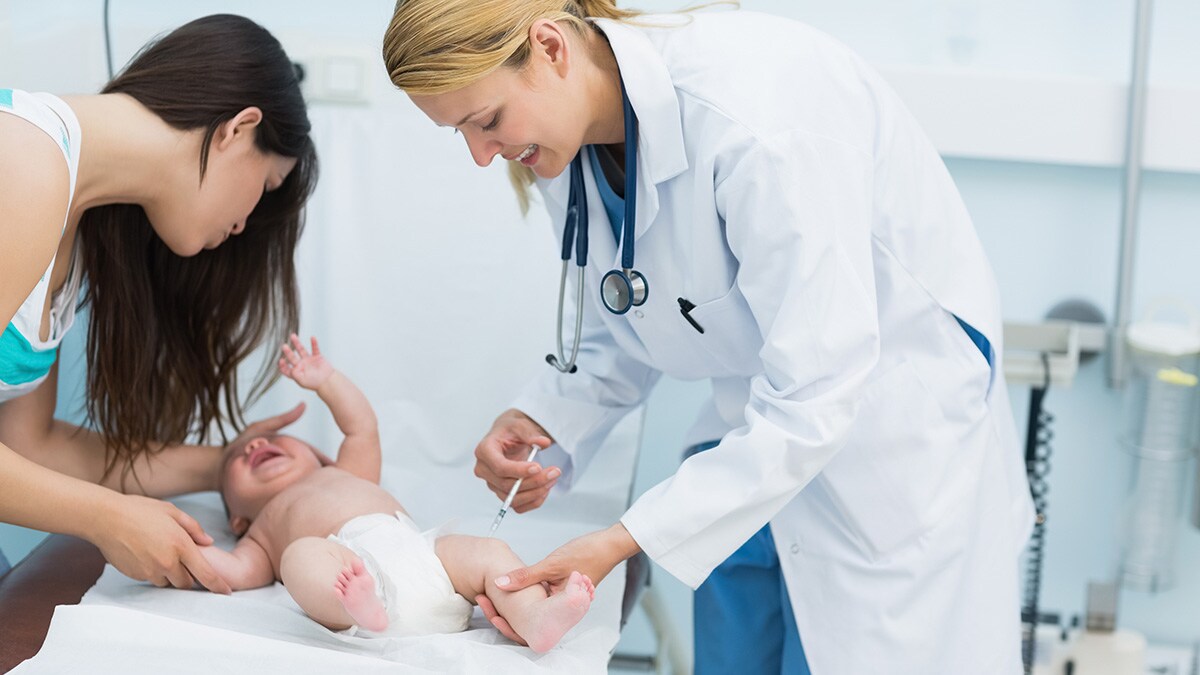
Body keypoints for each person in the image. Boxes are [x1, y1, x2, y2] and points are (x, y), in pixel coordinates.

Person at [382, 2, 1036, 673]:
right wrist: (546, 415)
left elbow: (819, 389)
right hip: (749, 451)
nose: (482, 155)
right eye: (459, 132)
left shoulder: (758, 121)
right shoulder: (565, 144)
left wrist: (624, 537)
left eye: (485, 121)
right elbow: (637, 303)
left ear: (549, 47)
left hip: (885, 454)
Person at [0, 14, 318, 593]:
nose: (245, 223)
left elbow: (30, 450)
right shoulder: (21, 160)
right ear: (239, 129)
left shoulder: (70, 220)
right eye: (265, 188)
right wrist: (103, 517)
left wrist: (222, 463)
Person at [198, 335, 595, 651]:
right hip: (355, 584)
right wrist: (177, 540)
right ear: (236, 518)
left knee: (484, 553)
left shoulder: (348, 472)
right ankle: (350, 604)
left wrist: (327, 381)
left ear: (316, 457)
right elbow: (229, 570)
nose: (254, 445)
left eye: (271, 439)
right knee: (298, 557)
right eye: (237, 456)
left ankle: (534, 617)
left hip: (428, 563)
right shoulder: (260, 532)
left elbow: (361, 427)